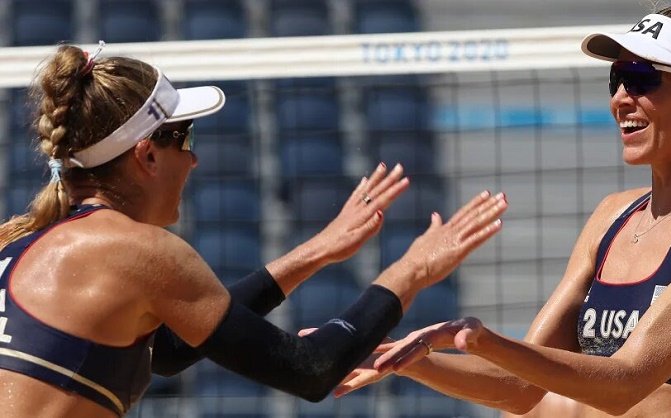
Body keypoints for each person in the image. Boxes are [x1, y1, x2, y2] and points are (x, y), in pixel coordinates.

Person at [0, 44, 509, 418]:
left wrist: (316, 253)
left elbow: (172, 352)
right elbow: (310, 370)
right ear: (147, 155)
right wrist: (413, 269)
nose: (195, 159)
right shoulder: (135, 251)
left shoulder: (25, 244)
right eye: (185, 138)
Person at [334, 4, 671, 417]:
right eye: (617, 79)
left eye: (644, 80)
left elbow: (627, 383)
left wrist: (484, 340)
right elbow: (520, 388)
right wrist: (401, 359)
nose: (621, 98)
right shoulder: (613, 215)